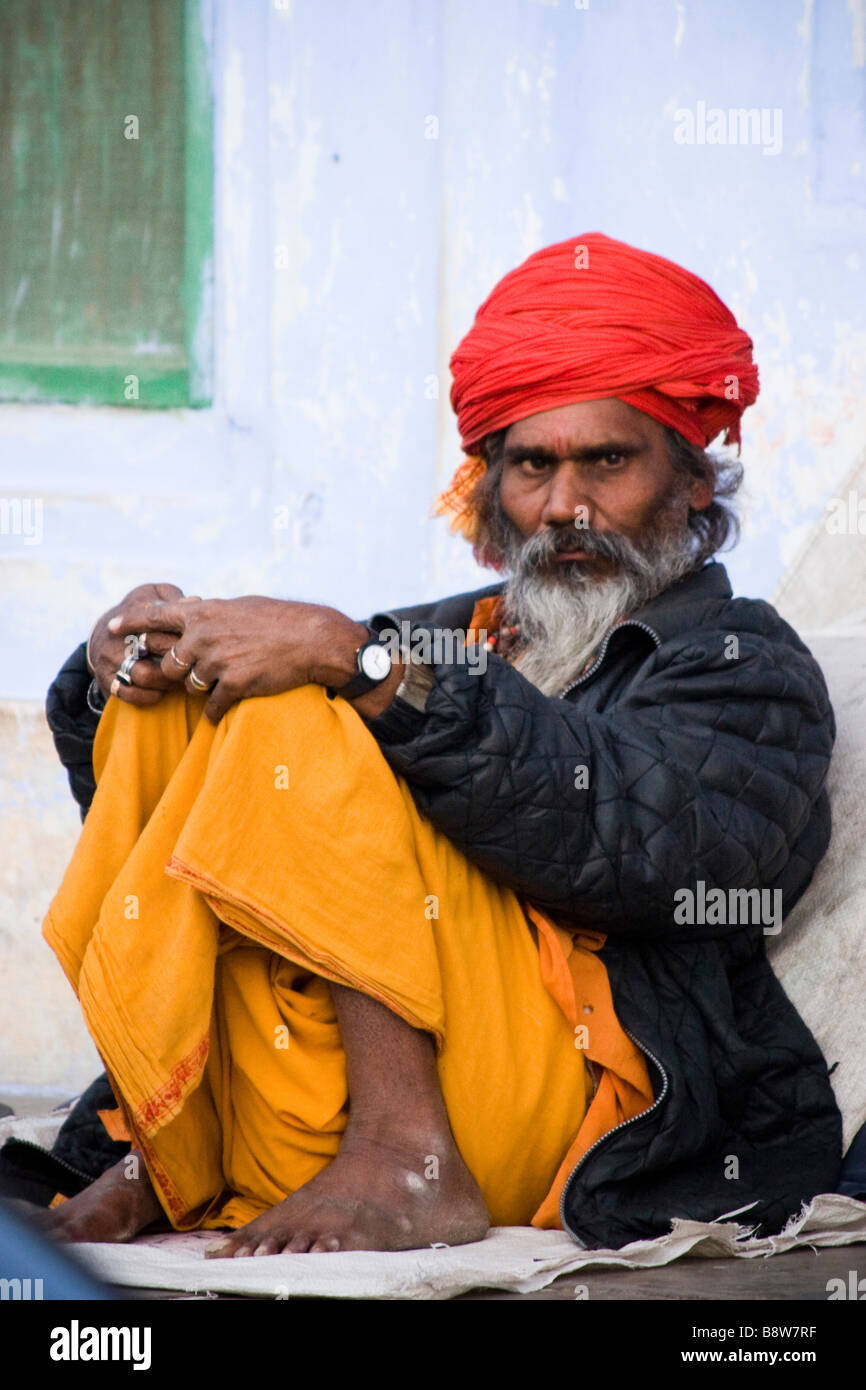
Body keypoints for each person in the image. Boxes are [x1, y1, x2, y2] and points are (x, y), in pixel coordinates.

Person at [35, 233, 841, 1256]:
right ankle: (166, 1143)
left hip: (573, 1100)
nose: (564, 507)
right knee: (199, 705)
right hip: (315, 1076)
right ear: (489, 495)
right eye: (531, 467)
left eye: (607, 460)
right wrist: (121, 672)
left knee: (299, 703)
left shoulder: (741, 662)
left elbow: (629, 848)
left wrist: (365, 668)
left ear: (689, 482)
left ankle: (402, 1151)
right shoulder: (437, 633)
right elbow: (185, 810)